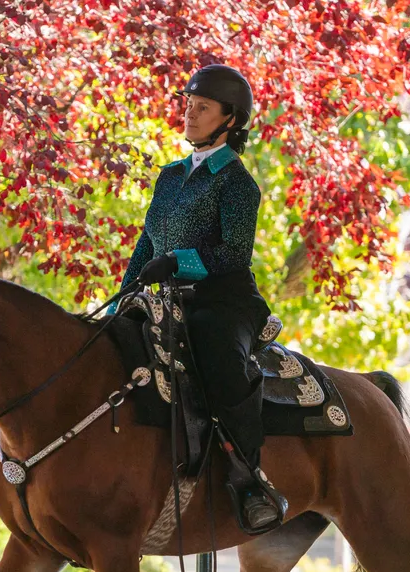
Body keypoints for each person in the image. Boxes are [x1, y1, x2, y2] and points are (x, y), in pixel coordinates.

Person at [114, 64, 287, 535]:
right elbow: (146, 245)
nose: (189, 113)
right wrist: (123, 299)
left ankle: (251, 481)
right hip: (169, 298)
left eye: (202, 107)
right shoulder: (170, 176)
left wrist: (176, 261)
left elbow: (233, 254)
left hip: (224, 303)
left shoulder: (237, 184)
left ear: (230, 119)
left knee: (218, 355)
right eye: (188, 104)